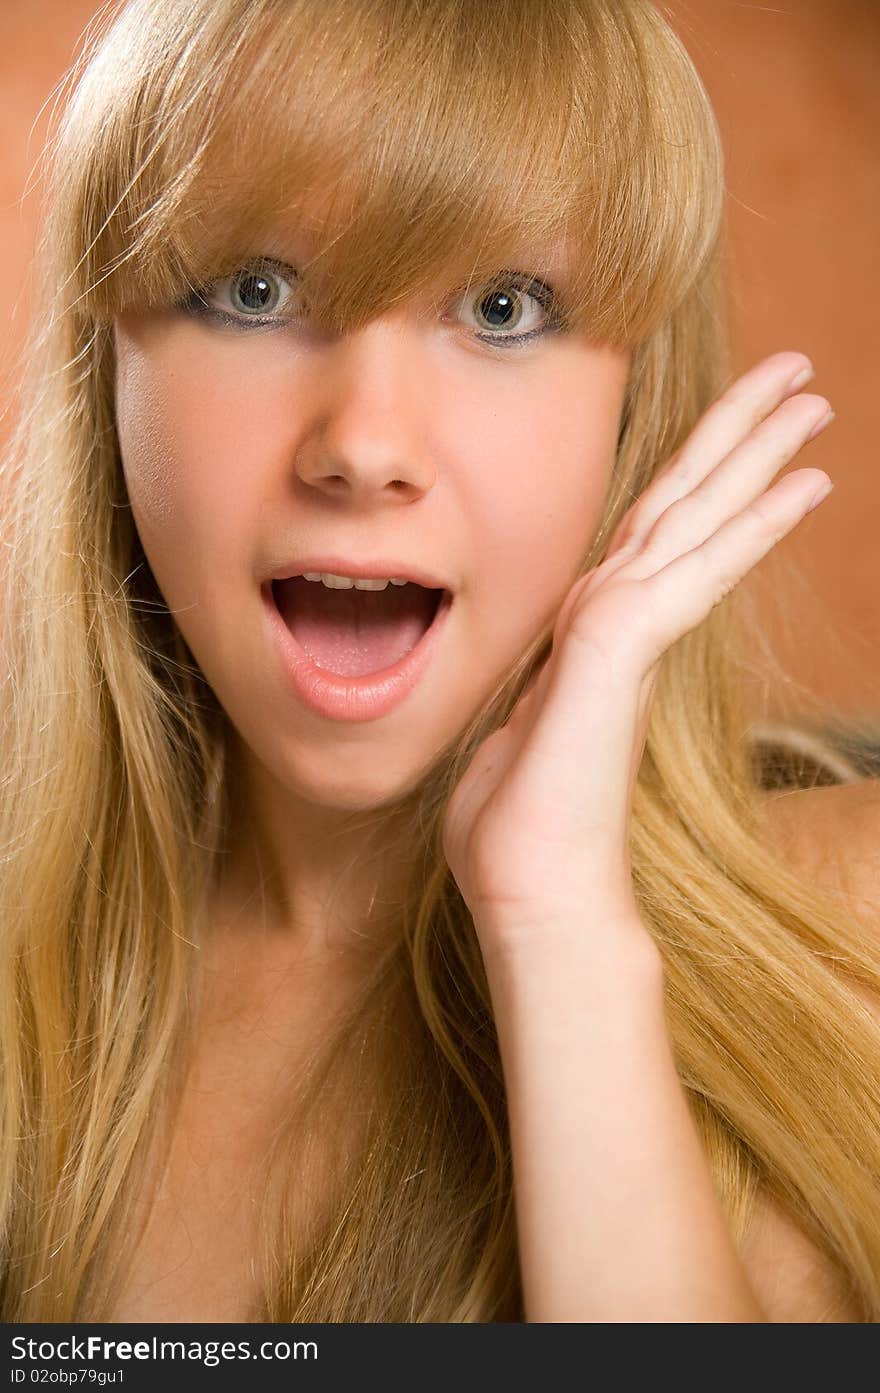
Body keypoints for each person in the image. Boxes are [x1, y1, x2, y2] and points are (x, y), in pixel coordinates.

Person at [1, 0, 879, 1325]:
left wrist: (556, 915)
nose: (364, 444)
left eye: (503, 307)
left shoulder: (852, 928)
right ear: (109, 371)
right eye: (255, 290)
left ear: (635, 404)